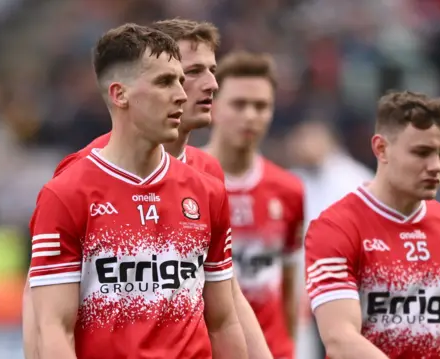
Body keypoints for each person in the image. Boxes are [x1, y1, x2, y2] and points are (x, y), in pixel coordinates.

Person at [22, 19, 272, 359]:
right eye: (191, 72)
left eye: (193, 77)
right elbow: (43, 311)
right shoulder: (72, 184)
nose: (210, 85)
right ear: (121, 93)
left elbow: (226, 307)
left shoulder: (207, 179)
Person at [304, 91, 440, 359]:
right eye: (422, 152)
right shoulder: (335, 228)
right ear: (381, 149)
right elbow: (340, 339)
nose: (436, 166)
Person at [204, 51, 304, 359]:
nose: (250, 115)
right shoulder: (188, 180)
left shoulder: (289, 190)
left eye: (261, 106)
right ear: (214, 107)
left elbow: (288, 284)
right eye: (239, 104)